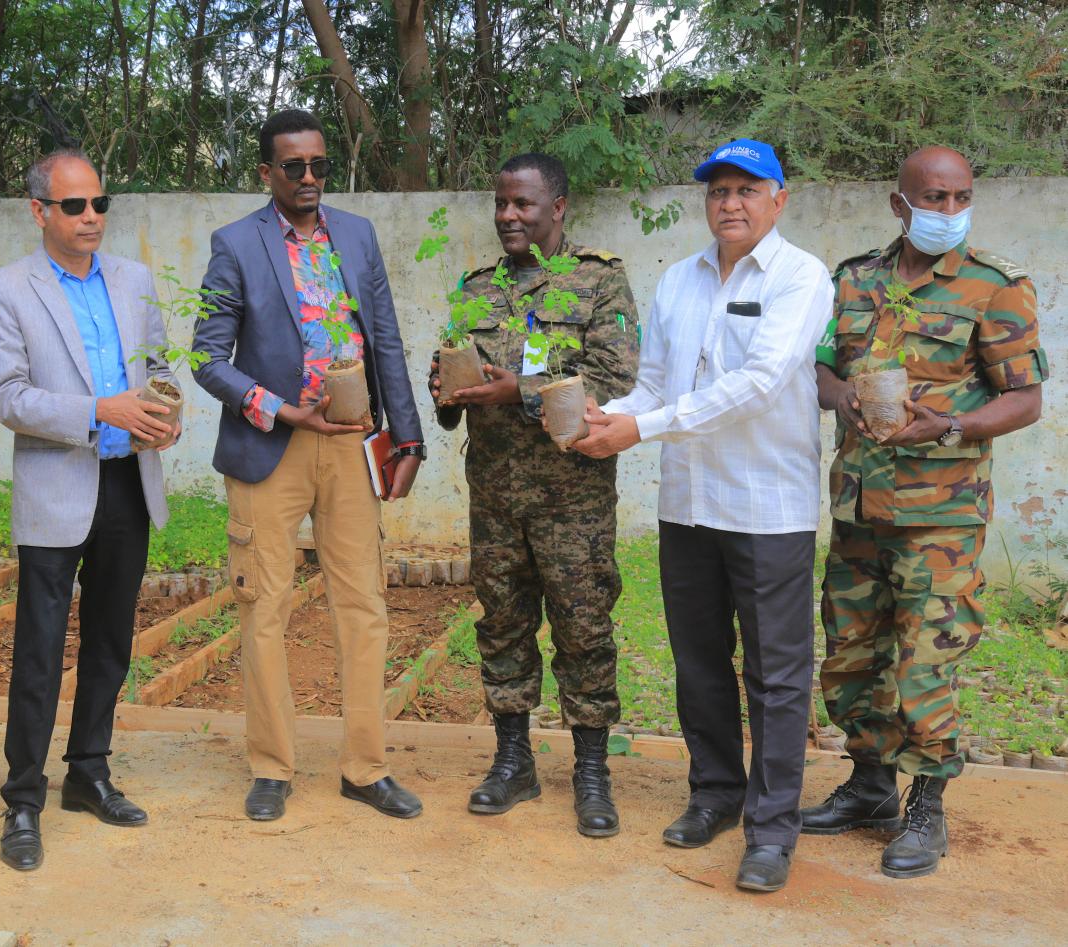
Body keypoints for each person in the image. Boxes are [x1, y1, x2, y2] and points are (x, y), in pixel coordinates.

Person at [572, 139, 832, 892]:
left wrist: (642, 429)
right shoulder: (678, 280)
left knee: (777, 675)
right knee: (700, 662)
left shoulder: (800, 276)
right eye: (718, 190)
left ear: (779, 199)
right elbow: (654, 385)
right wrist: (608, 415)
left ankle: (772, 830)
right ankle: (715, 793)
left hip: (768, 507)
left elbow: (760, 382)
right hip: (688, 505)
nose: (731, 203)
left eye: (748, 189)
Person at [804, 146, 1046, 879]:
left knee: (925, 664)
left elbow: (1025, 399)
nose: (948, 210)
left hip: (940, 517)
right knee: (851, 657)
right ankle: (870, 786)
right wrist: (841, 396)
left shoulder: (995, 287)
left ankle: (927, 808)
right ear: (899, 204)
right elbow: (822, 366)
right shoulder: (854, 280)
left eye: (960, 197)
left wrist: (948, 425)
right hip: (859, 509)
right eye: (933, 198)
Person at [193, 109, 425, 822]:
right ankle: (271, 767)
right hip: (272, 448)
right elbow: (207, 355)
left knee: (364, 605)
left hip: (352, 441)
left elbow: (384, 337)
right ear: (267, 172)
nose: (309, 178)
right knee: (264, 605)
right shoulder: (236, 244)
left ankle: (366, 768)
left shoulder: (356, 234)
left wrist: (408, 438)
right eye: (293, 166)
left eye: (319, 165)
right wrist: (278, 409)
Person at [426, 153, 639, 836]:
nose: (508, 215)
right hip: (495, 496)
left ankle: (591, 772)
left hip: (573, 499)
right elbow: (451, 377)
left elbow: (615, 377)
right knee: (502, 624)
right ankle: (513, 759)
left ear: (559, 207)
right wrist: (447, 389)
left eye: (522, 203)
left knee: (584, 627)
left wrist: (514, 390)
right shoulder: (476, 288)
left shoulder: (598, 279)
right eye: (501, 203)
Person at [0, 150, 177, 871]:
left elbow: (160, 371)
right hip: (57, 487)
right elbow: (8, 397)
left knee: (110, 641)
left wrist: (167, 416)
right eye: (74, 206)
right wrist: (99, 409)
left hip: (128, 481)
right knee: (39, 650)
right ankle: (22, 799)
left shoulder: (134, 280)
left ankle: (88, 771)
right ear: (39, 211)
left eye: (99, 202)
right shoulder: (9, 288)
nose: (91, 216)